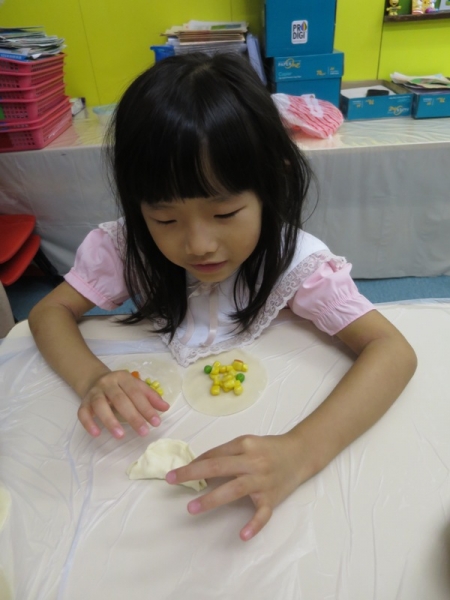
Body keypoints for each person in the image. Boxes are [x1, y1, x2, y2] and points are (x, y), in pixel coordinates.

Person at [29, 53, 417, 542]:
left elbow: (393, 351)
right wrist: (92, 378)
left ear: (271, 184)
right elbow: (49, 311)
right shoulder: (126, 247)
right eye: (165, 218)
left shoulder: (297, 261)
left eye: (225, 213)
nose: (198, 245)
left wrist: (301, 450)